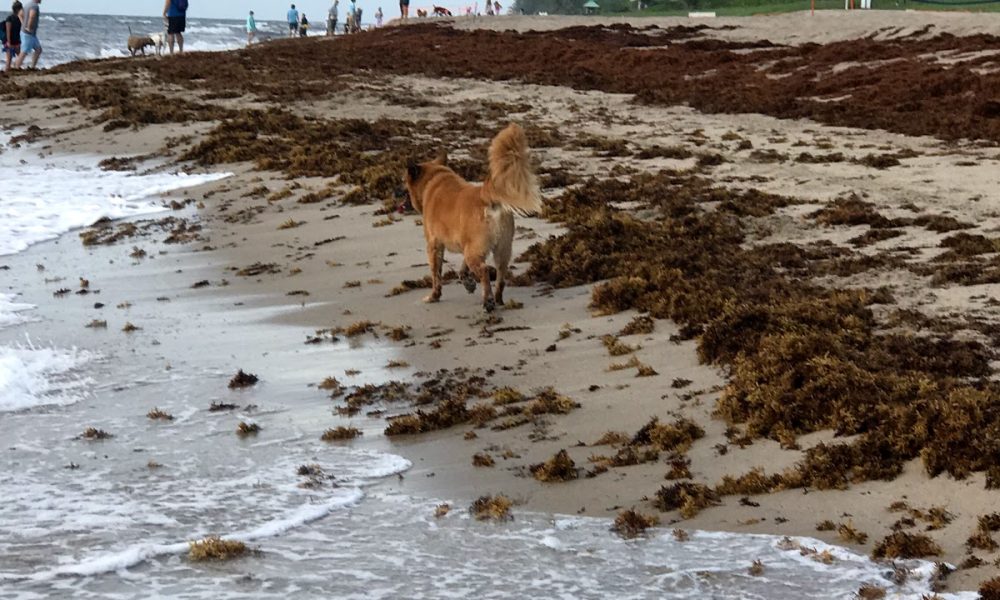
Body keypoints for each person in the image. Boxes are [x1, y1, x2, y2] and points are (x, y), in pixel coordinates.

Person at [13, 0, 38, 69]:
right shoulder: (34, 6)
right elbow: (32, 16)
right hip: (28, 33)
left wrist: (23, 24)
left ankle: (32, 67)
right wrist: (28, 27)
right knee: (24, 52)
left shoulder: (27, 5)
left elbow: (20, 14)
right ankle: (16, 68)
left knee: (38, 49)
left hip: (31, 34)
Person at [3, 1, 21, 72]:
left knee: (20, 56)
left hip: (17, 41)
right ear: (17, 9)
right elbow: (8, 31)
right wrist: (9, 43)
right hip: (9, 42)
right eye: (21, 9)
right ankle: (6, 73)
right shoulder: (9, 18)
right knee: (9, 60)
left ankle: (14, 68)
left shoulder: (20, 19)